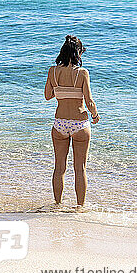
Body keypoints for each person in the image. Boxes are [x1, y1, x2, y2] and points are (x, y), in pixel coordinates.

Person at [44, 35, 100, 210]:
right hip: (79, 124)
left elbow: (48, 95)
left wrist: (61, 89)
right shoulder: (82, 73)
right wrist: (96, 115)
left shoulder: (53, 71)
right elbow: (89, 101)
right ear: (78, 53)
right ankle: (80, 207)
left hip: (60, 123)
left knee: (59, 167)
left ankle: (57, 204)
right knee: (80, 168)